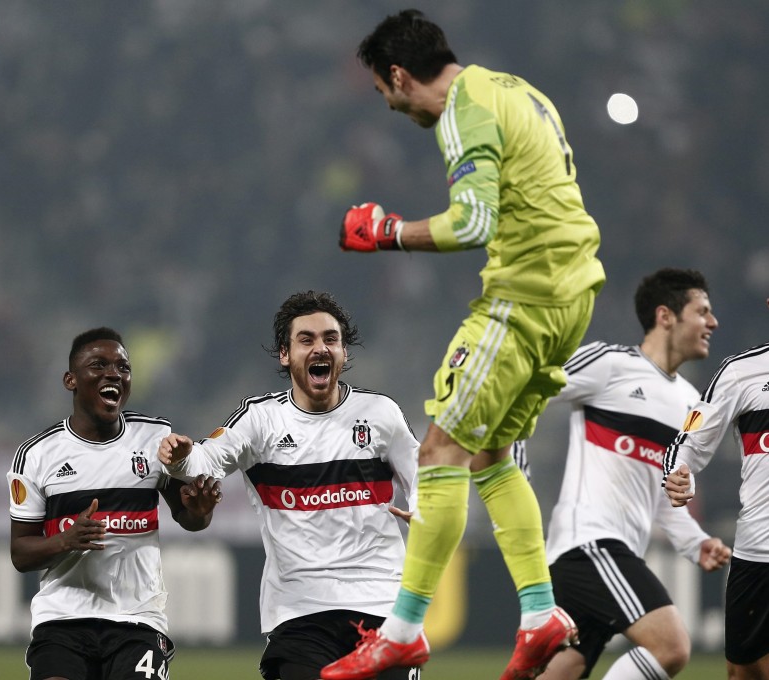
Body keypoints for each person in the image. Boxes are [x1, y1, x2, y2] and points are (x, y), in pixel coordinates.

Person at [328, 9, 607, 680]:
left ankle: (402, 630)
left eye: (383, 92)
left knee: (439, 451)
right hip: (574, 293)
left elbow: (475, 220)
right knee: (488, 453)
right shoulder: (517, 91)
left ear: (398, 75)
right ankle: (541, 616)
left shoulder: (462, 108)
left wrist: (388, 232)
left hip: (525, 295)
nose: (391, 106)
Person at [158, 291, 421, 680]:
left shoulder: (380, 414)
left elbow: (424, 477)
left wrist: (424, 508)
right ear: (285, 354)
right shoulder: (261, 421)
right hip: (300, 616)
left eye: (331, 339)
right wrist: (181, 456)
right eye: (307, 339)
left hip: (382, 606)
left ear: (344, 353)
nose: (321, 348)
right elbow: (205, 461)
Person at [532, 268, 731, 680]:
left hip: (612, 553)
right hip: (589, 544)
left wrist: (696, 543)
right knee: (671, 645)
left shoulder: (692, 404)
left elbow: (665, 494)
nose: (712, 323)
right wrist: (509, 463)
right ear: (665, 316)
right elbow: (527, 388)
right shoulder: (609, 364)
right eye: (702, 311)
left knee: (559, 671)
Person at [8, 327, 221, 680]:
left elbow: (189, 517)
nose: (113, 374)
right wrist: (65, 540)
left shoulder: (155, 438)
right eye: (99, 365)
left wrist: (201, 512)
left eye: (123, 368)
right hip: (63, 622)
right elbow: (20, 553)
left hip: (137, 622)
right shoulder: (36, 455)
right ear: (70, 380)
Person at [663, 297, 769, 680]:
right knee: (743, 670)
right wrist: (678, 473)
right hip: (759, 550)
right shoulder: (742, 373)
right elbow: (690, 440)